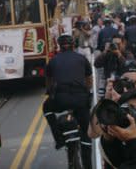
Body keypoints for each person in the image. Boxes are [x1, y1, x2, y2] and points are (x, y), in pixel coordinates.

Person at [43, 34, 93, 169]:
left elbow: (49, 81)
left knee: (46, 108)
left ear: (59, 47)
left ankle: (59, 138)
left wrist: (49, 92)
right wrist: (87, 92)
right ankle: (88, 165)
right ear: (73, 45)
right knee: (86, 133)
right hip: (80, 100)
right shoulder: (82, 59)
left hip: (61, 99)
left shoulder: (53, 61)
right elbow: (89, 79)